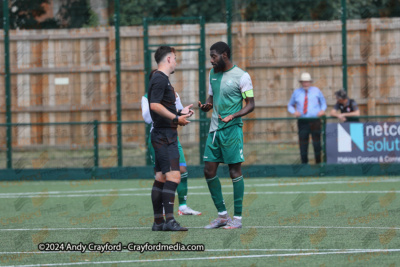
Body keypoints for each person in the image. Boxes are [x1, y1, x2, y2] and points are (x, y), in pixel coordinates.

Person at [198, 41, 255, 229]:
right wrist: (207, 105)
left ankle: (237, 219)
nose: (211, 60)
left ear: (224, 55)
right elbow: (211, 98)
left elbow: (250, 104)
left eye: (213, 56)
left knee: (234, 172)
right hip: (214, 131)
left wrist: (234, 115)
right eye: (210, 57)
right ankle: (222, 216)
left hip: (232, 130)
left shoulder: (242, 76)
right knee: (208, 171)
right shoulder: (212, 74)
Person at [141, 72, 201, 217]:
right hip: (157, 137)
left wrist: (184, 113)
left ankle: (183, 206)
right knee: (161, 175)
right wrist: (165, 110)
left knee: (182, 169)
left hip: (172, 137)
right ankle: (161, 210)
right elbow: (148, 119)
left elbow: (177, 114)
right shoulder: (147, 97)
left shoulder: (173, 94)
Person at [148, 46, 193, 231]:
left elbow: (161, 107)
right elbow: (154, 106)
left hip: (162, 134)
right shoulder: (159, 78)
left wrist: (179, 112)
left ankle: (159, 222)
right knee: (174, 176)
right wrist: (176, 118)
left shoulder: (160, 79)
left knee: (160, 177)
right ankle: (170, 221)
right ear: (167, 59)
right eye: (174, 58)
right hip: (165, 136)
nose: (176, 61)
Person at [287, 72, 327, 164]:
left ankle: (318, 164)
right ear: (301, 82)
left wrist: (322, 110)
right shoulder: (296, 93)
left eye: (307, 82)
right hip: (303, 121)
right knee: (303, 144)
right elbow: (290, 105)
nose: (306, 84)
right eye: (304, 82)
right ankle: (304, 165)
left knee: (317, 143)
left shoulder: (316, 91)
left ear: (310, 82)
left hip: (315, 121)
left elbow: (323, 103)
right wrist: (294, 112)